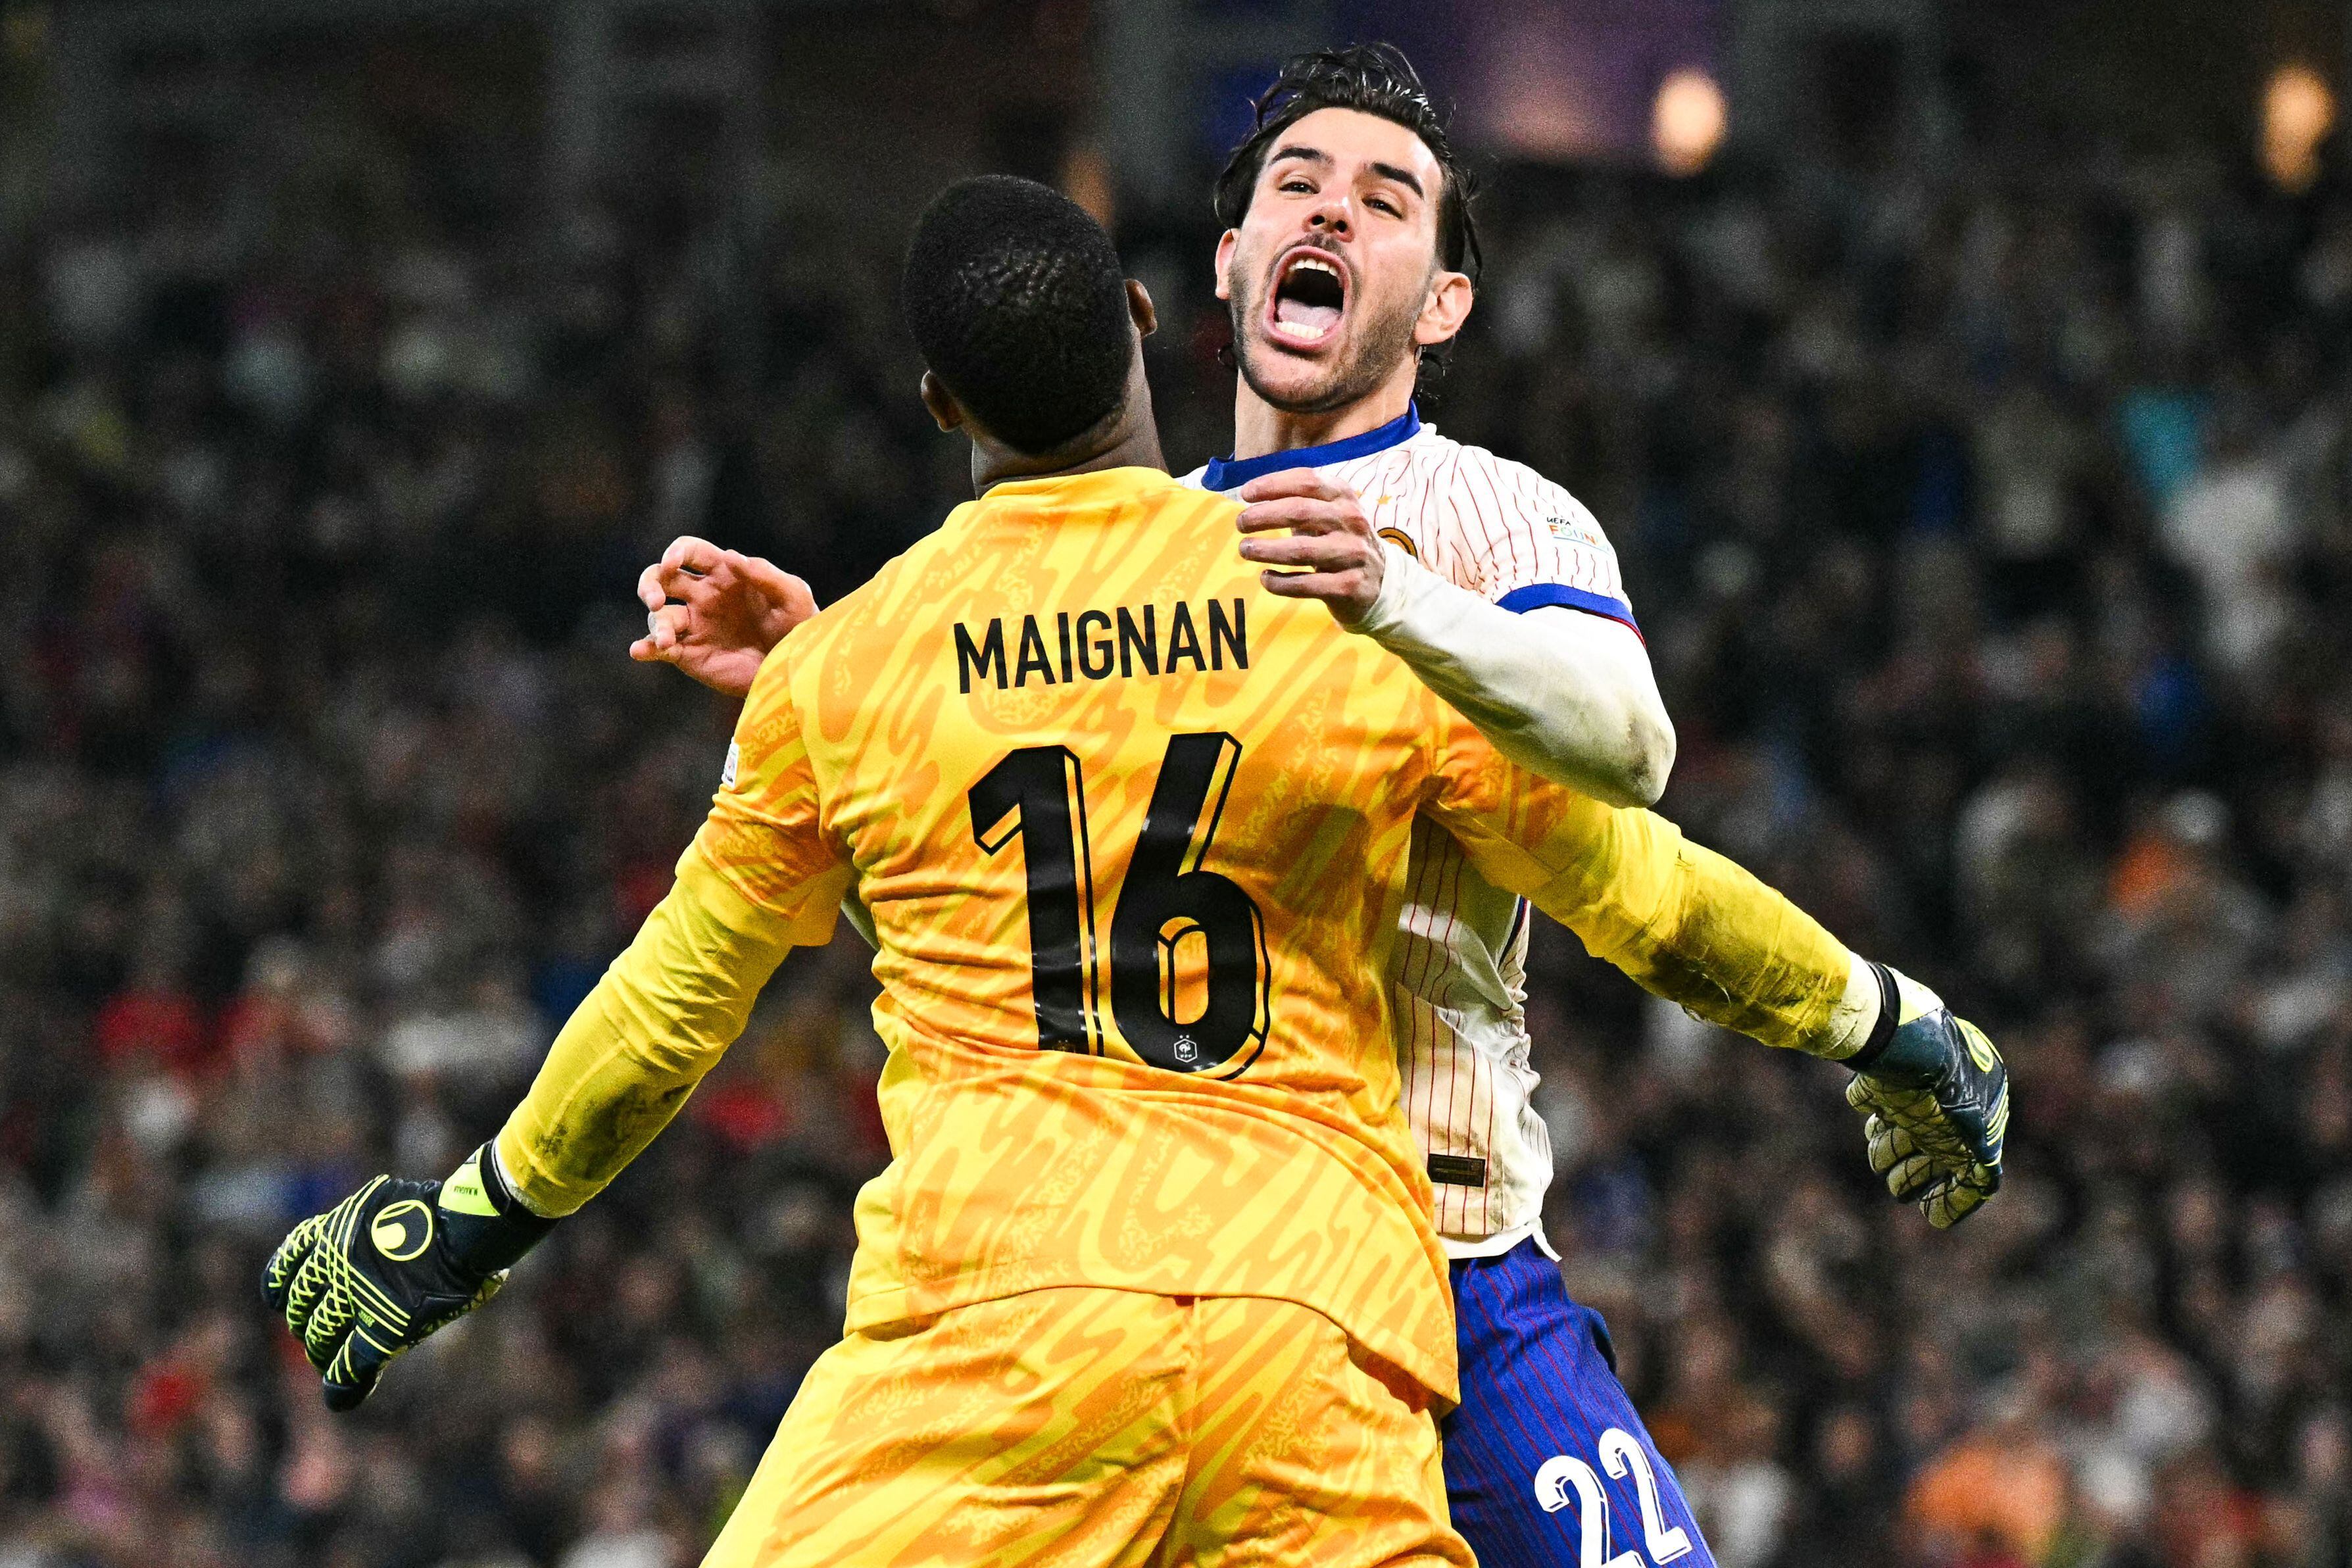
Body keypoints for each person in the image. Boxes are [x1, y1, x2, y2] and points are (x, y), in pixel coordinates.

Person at [264, 176, 2001, 1566]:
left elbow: (673, 1006)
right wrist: (1887, 1021)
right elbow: (1648, 896)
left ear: (938, 400)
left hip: (994, 1356)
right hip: (1313, 1351)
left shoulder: (851, 671)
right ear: (1148, 323)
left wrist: (471, 1221)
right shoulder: (1343, 599)